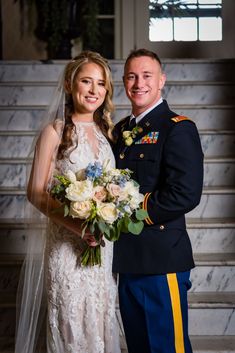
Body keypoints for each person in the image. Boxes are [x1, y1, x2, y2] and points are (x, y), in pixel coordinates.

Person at [15, 51, 121, 353]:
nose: (93, 90)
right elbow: (36, 192)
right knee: (71, 326)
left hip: (101, 248)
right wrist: (78, 225)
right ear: (68, 83)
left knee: (100, 320)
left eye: (101, 84)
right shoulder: (55, 132)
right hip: (66, 247)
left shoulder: (105, 134)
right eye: (86, 81)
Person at [112, 48, 204, 353]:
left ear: (161, 80)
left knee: (168, 348)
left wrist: (130, 210)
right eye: (132, 76)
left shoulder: (177, 128)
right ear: (124, 82)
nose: (139, 83)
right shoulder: (119, 131)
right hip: (126, 259)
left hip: (162, 260)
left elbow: (186, 193)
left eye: (147, 75)